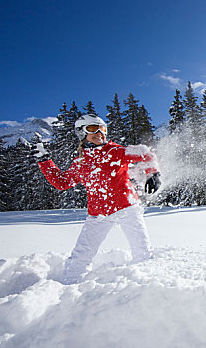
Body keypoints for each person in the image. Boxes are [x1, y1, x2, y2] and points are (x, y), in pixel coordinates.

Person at [34, 114, 161, 284]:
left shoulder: (114, 151)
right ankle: (69, 286)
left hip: (127, 208)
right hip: (98, 214)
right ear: (81, 133)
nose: (100, 133)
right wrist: (45, 161)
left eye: (103, 129)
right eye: (93, 129)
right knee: (82, 254)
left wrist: (153, 172)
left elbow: (145, 152)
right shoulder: (80, 162)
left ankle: (148, 285)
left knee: (142, 250)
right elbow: (62, 182)